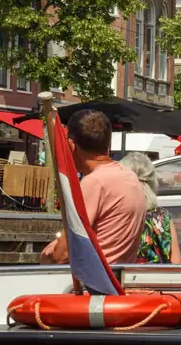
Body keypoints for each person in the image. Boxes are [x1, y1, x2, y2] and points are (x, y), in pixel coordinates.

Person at [41, 109, 147, 267]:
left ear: (71, 145)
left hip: (93, 278)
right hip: (118, 276)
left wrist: (49, 252)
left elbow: (62, 255)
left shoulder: (94, 183)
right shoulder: (131, 178)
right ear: (108, 143)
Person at [121, 151, 181, 264]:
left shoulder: (119, 214)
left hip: (125, 275)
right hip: (159, 275)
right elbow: (177, 263)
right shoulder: (163, 216)